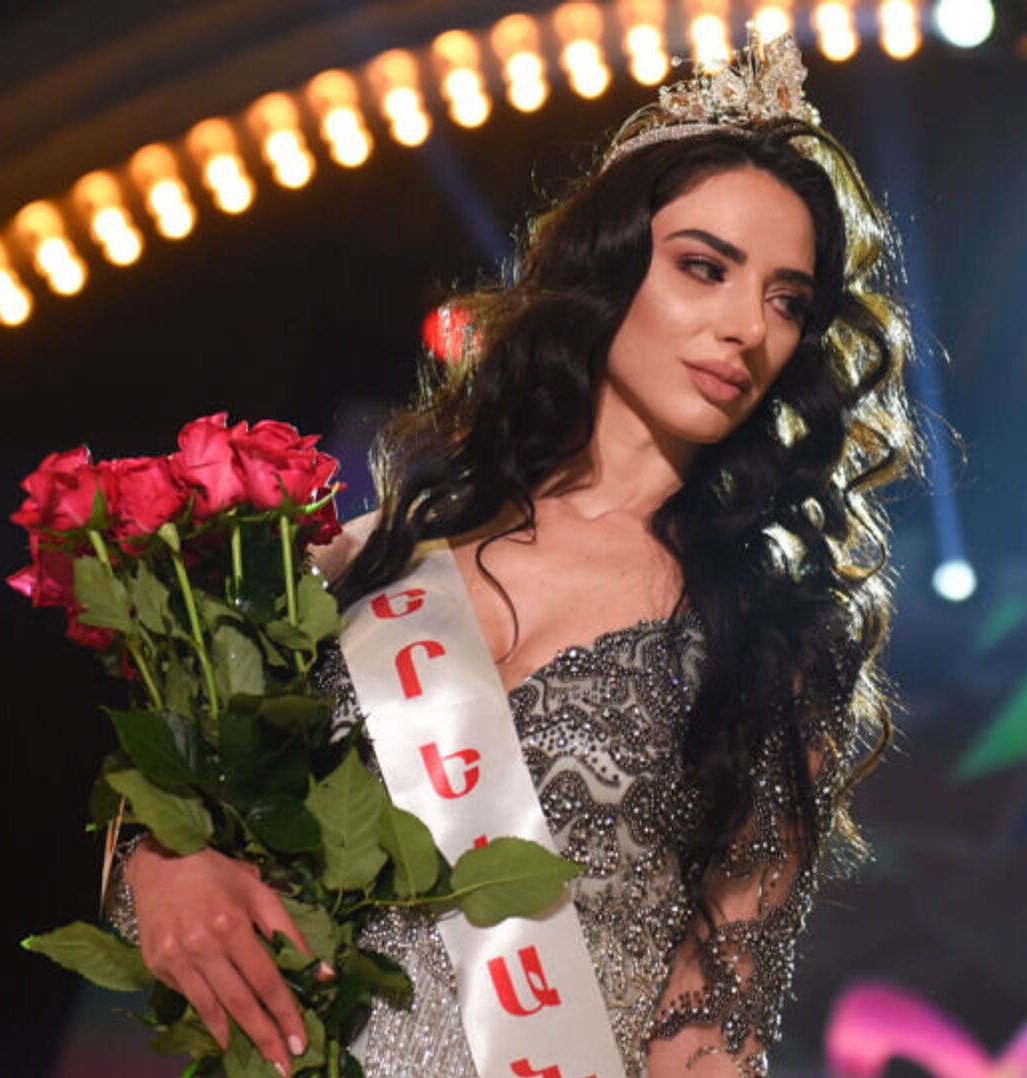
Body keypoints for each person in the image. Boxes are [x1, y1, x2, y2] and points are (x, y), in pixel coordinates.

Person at [108, 30, 923, 1078]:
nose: (745, 329)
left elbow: (711, 1024)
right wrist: (158, 865)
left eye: (786, 302)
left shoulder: (772, 642)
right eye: (704, 268)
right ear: (610, 266)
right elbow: (191, 806)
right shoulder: (374, 556)